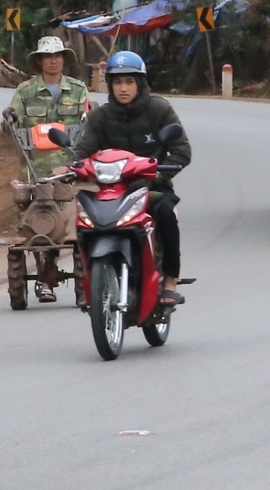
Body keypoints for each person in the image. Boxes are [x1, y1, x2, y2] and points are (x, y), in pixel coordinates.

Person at [63, 49, 193, 307]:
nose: (123, 88)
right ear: (110, 85)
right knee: (84, 221)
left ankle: (169, 278)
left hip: (152, 189)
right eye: (117, 82)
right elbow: (82, 151)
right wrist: (68, 168)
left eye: (129, 82)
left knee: (166, 212)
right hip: (111, 192)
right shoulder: (100, 116)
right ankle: (87, 281)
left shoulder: (160, 109)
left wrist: (160, 171)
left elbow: (181, 150)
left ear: (140, 83)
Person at [1, 35, 92, 161]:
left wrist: (93, 113)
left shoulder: (79, 89)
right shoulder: (25, 91)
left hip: (70, 168)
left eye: (57, 56)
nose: (53, 61)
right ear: (39, 60)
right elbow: (9, 128)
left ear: (63, 59)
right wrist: (10, 117)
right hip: (35, 169)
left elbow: (88, 124)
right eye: (48, 56)